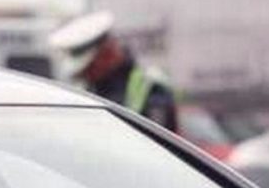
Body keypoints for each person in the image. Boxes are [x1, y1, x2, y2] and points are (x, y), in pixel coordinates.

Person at [50, 11, 178, 131]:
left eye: (89, 67)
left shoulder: (151, 87)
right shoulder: (90, 89)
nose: (85, 75)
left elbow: (158, 139)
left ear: (107, 53)